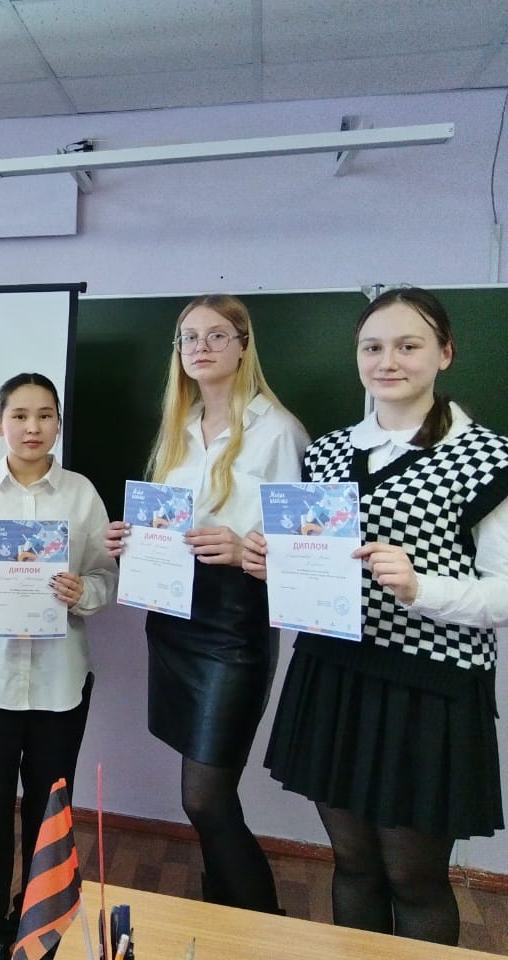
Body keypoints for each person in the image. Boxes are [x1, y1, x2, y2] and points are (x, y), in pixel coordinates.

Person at [245, 286, 508, 944]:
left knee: (414, 878)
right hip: (334, 673)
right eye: (372, 347)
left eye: (407, 345)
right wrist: (275, 564)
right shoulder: (329, 452)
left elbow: (504, 594)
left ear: (445, 353)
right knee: (353, 863)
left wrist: (422, 588)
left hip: (429, 686)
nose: (387, 361)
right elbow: (315, 560)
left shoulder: (488, 459)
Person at [103, 294, 307, 913]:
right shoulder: (179, 427)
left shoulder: (279, 430)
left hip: (235, 623)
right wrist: (130, 540)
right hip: (173, 617)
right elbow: (170, 525)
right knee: (205, 798)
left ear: (243, 346)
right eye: (189, 337)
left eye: (217, 335)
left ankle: (263, 930)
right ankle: (224, 921)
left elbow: (306, 552)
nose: (201, 347)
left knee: (204, 797)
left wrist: (244, 548)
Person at [0, 372, 117, 960]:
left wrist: (80, 591)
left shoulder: (82, 495)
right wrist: (6, 584)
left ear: (58, 423)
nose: (32, 427)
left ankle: (39, 922)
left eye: (44, 415)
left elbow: (105, 578)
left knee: (49, 809)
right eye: (19, 415)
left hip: (61, 679)